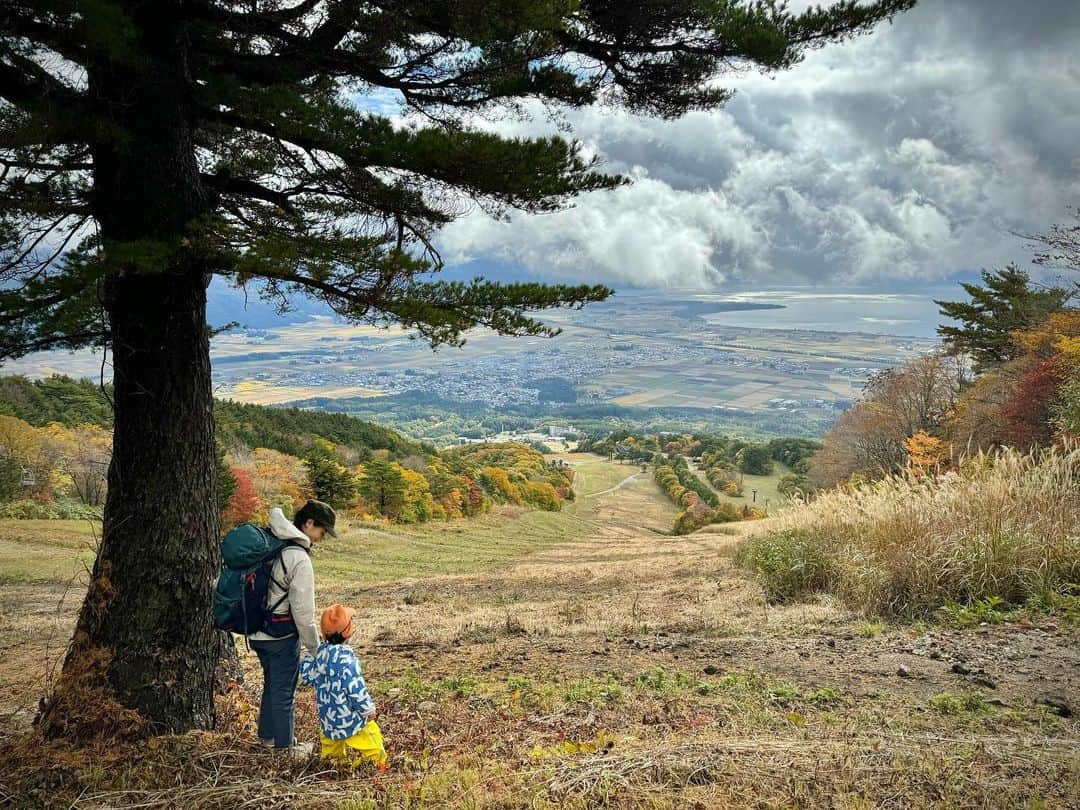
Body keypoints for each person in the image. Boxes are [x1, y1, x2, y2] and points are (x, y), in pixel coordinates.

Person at [250, 499, 338, 752]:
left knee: (272, 686)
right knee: (284, 693)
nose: (322, 537)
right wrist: (316, 649)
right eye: (322, 531)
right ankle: (284, 750)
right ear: (309, 523)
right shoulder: (298, 557)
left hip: (257, 631)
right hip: (280, 635)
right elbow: (302, 613)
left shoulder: (274, 543)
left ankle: (267, 739)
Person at [300, 603, 388, 770]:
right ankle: (378, 770)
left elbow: (307, 676)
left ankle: (333, 771)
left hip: (328, 720)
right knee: (373, 743)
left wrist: (305, 659)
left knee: (331, 751)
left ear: (323, 635)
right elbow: (356, 690)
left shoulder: (319, 656)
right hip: (351, 719)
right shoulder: (347, 662)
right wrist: (368, 710)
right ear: (348, 632)